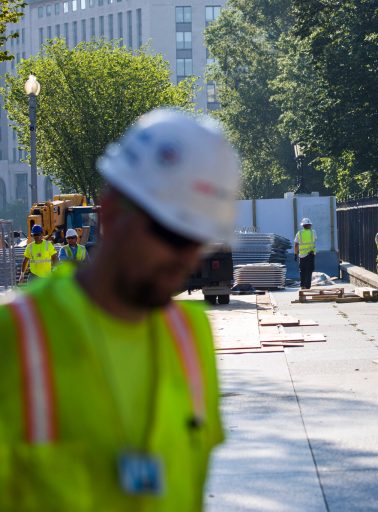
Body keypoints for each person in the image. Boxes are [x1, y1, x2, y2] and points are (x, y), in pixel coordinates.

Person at [0, 109, 241, 511]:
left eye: (199, 238)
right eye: (170, 232)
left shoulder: (192, 336)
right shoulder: (17, 340)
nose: (186, 257)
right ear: (111, 211)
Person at [293, 217, 317, 290]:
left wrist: (295, 253)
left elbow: (296, 244)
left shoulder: (299, 233)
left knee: (302, 271)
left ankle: (302, 286)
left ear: (303, 225)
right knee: (309, 271)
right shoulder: (313, 232)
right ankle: (307, 286)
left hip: (302, 256)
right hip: (310, 255)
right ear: (309, 225)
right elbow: (315, 239)